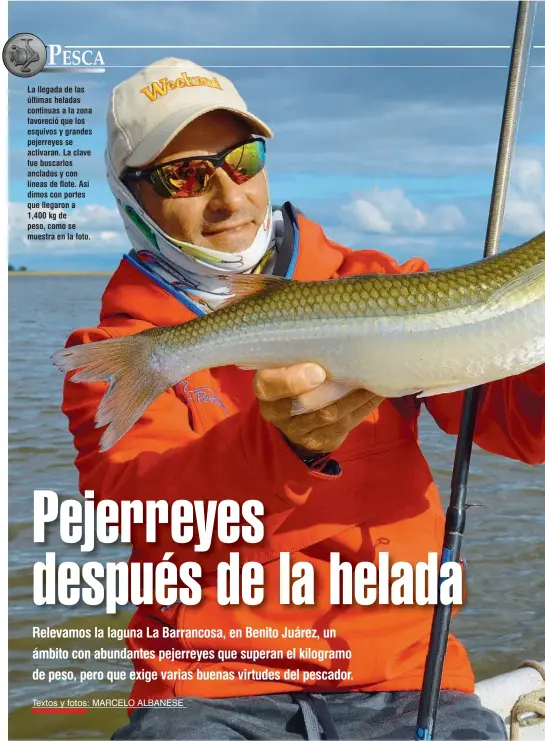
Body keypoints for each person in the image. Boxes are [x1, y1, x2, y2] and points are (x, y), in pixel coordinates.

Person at [60, 58, 544, 740]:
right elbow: (135, 510)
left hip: (401, 674)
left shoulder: (374, 281)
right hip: (211, 689)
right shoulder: (115, 351)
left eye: (242, 159)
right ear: (132, 195)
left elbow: (520, 429)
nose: (227, 196)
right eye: (185, 175)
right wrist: (281, 446)